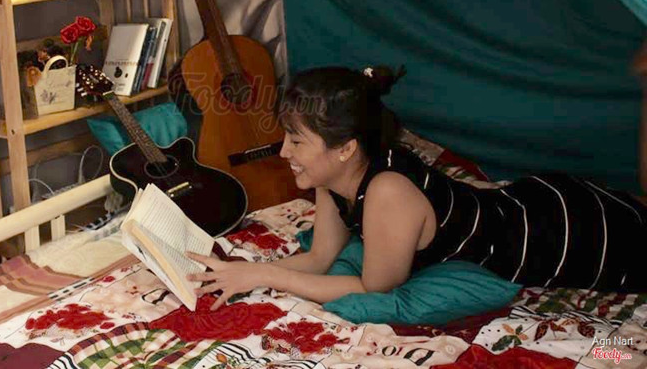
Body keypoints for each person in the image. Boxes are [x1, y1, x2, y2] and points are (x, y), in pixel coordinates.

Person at [188, 65, 647, 310]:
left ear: (345, 149)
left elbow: (374, 289)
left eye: (297, 141)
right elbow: (320, 258)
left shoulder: (387, 191)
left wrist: (266, 276)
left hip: (562, 234)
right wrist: (240, 273)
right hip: (524, 201)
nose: (283, 151)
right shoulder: (332, 178)